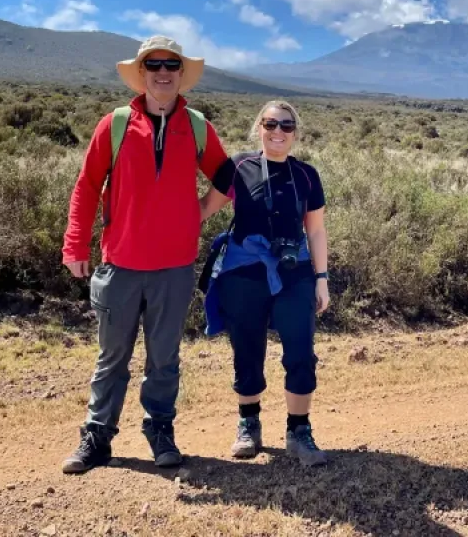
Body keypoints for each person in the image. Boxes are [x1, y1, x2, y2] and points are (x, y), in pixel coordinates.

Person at [60, 35, 228, 474]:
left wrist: (200, 211)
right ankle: (97, 438)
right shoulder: (115, 124)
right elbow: (86, 185)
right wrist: (75, 243)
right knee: (111, 357)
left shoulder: (195, 125)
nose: (163, 72)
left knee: (164, 358)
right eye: (153, 65)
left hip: (173, 267)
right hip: (121, 265)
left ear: (180, 72)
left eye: (171, 64)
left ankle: (160, 432)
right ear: (142, 73)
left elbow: (228, 175)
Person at [200, 100, 330, 467]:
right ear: (259, 126)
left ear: (295, 133)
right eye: (271, 124)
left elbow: (316, 230)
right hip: (244, 272)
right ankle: (248, 425)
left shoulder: (306, 175)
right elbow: (204, 208)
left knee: (301, 352)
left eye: (286, 126)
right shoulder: (239, 166)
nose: (278, 132)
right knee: (246, 348)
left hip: (295, 272)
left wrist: (322, 279)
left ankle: (299, 431)